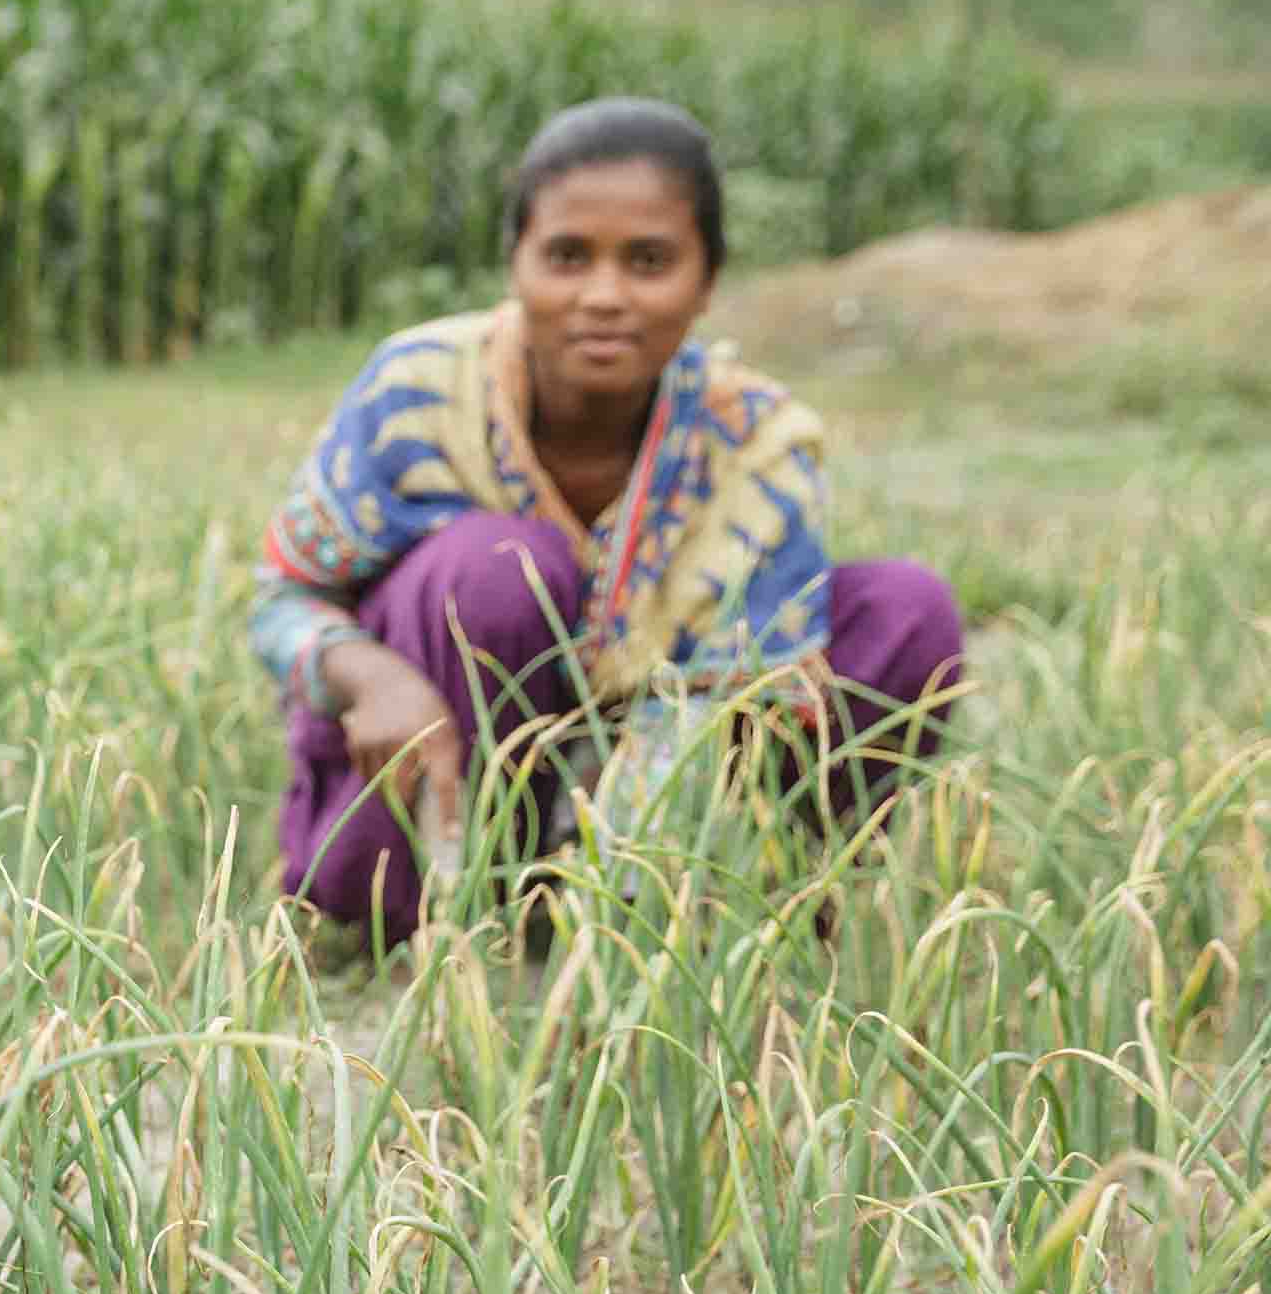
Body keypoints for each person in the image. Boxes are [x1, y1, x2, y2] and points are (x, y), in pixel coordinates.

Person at [248, 97, 965, 946]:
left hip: (667, 812)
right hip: (428, 807)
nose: (604, 296)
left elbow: (742, 698)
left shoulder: (756, 446)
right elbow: (283, 600)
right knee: (495, 568)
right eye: (566, 256)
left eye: (650, 261)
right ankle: (448, 910)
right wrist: (370, 676)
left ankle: (708, 911)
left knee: (903, 610)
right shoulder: (420, 392)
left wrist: (616, 901)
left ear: (706, 283)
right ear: (516, 263)